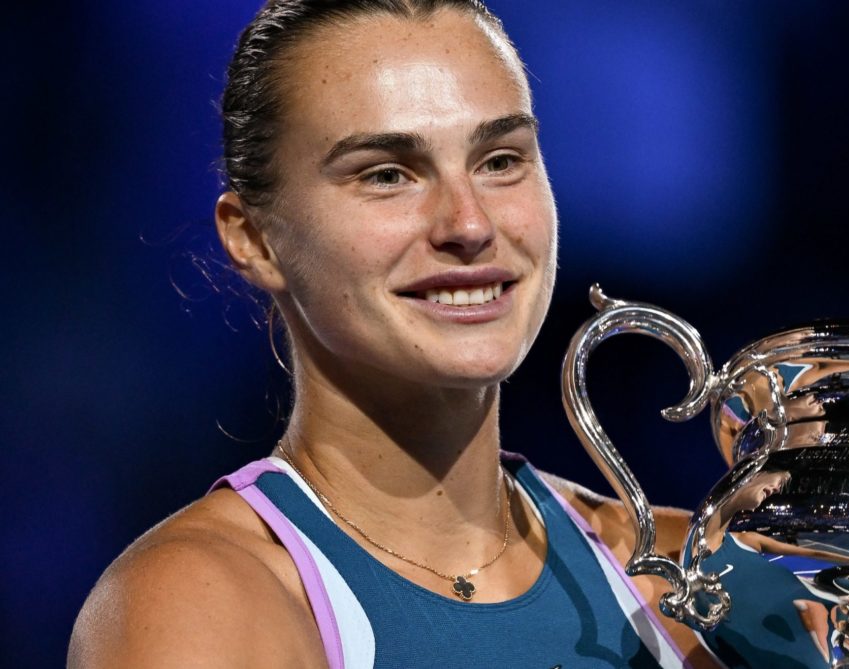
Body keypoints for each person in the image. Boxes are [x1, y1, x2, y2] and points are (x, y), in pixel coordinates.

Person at [67, 1, 723, 666]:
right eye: (387, 174)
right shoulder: (200, 603)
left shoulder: (690, 579)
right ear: (255, 238)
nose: (469, 225)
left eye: (499, 159)